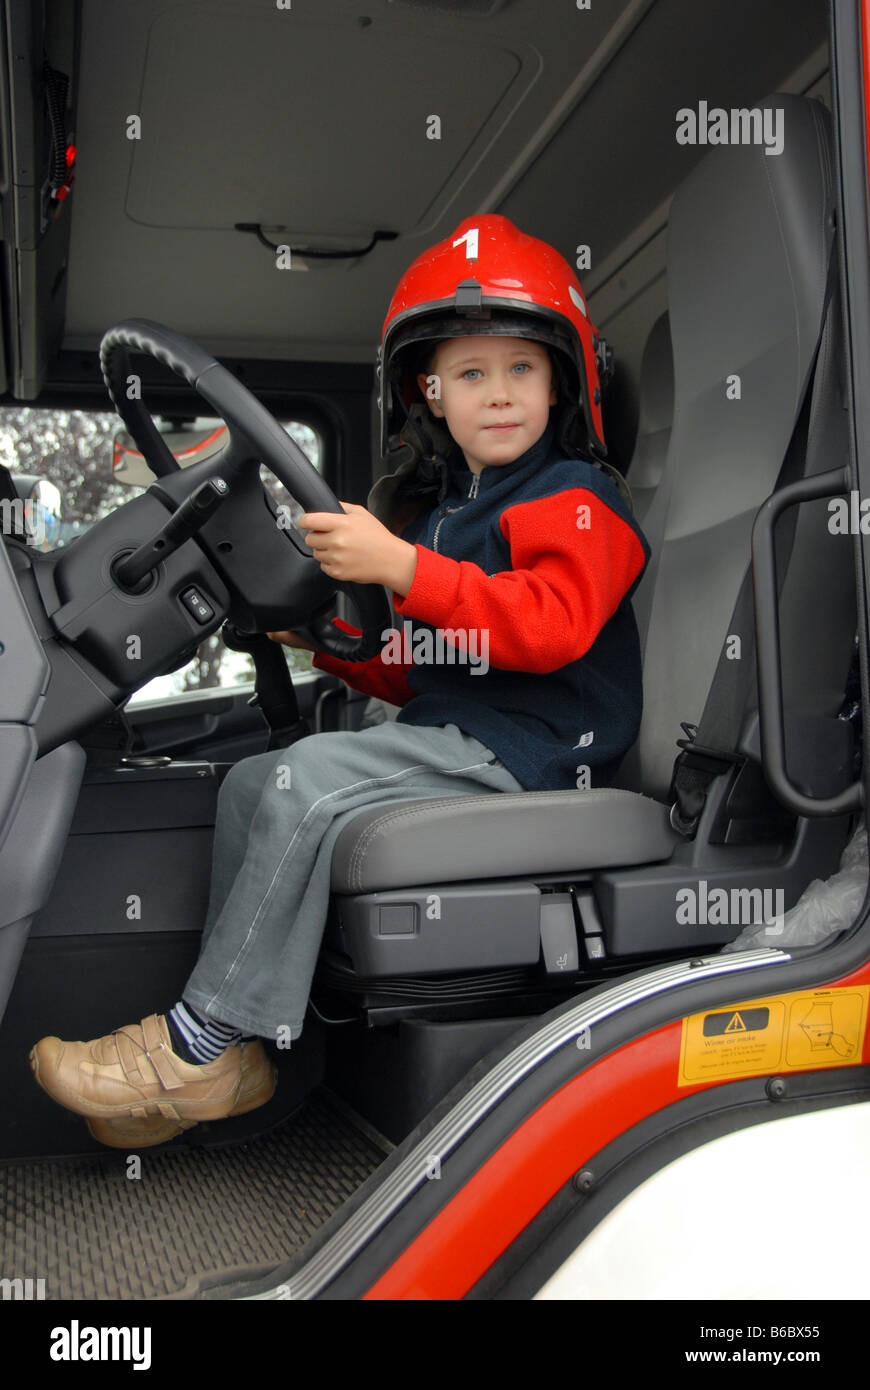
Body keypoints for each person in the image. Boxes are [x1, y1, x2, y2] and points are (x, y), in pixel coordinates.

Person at [29, 214, 650, 1147]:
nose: (499, 394)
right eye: (470, 374)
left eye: (521, 368)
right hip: (465, 736)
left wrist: (399, 568)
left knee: (302, 781)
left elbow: (549, 628)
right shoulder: (447, 516)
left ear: (562, 379)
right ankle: (239, 1053)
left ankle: (198, 1046)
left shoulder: (577, 497)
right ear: (430, 396)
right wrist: (320, 635)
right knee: (253, 779)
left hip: (541, 750)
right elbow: (438, 664)